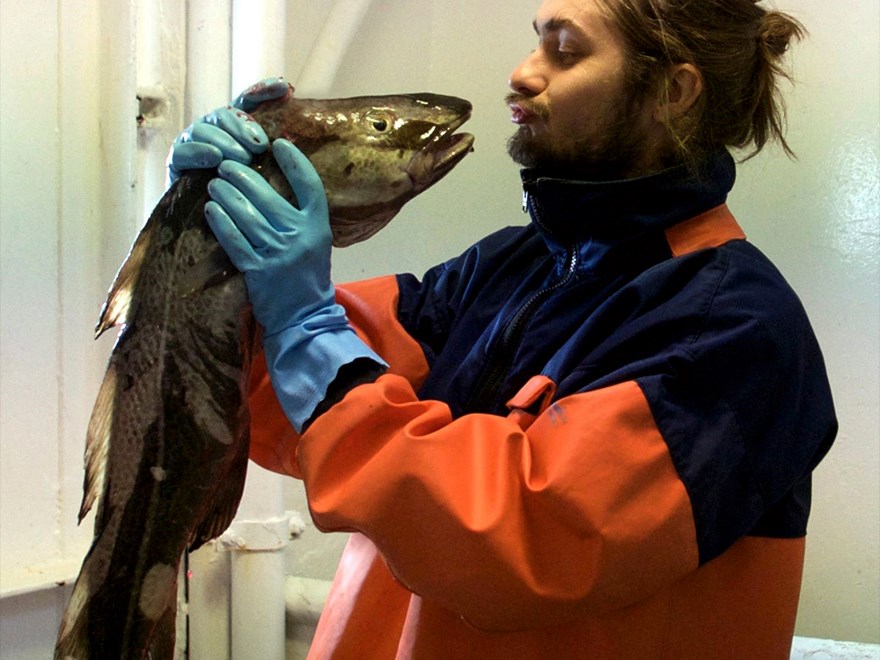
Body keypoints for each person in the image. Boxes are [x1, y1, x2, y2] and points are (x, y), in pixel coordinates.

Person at [170, 0, 837, 657]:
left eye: (565, 50)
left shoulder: (734, 329)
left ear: (672, 90)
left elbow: (523, 538)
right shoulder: (504, 268)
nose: (522, 71)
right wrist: (204, 238)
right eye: (535, 41)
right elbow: (264, 401)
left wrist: (308, 326)